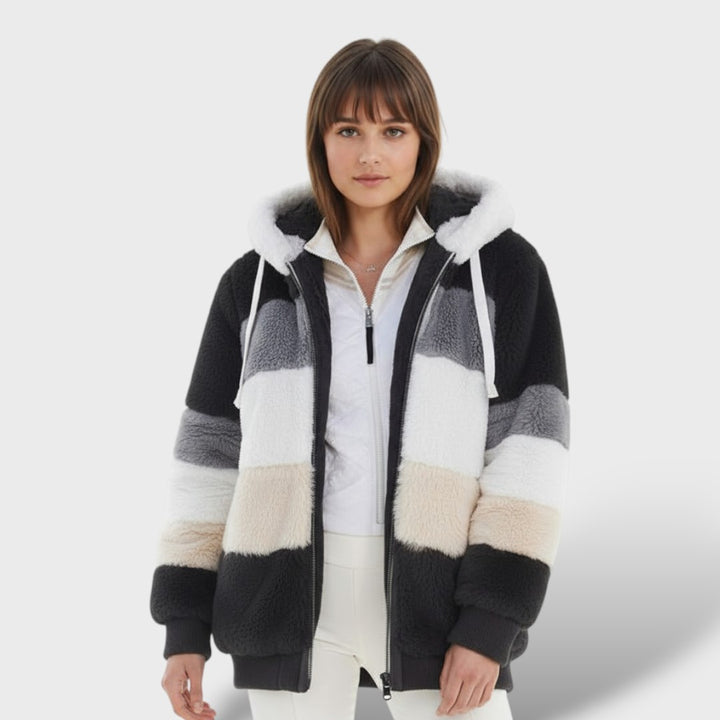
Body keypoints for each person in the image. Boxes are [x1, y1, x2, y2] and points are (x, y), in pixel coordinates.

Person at [150, 38, 570, 720]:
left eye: (392, 130)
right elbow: (209, 455)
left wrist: (491, 621)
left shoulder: (501, 271)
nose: (370, 154)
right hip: (287, 607)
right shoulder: (256, 284)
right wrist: (184, 626)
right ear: (320, 141)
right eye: (348, 130)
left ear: (423, 140)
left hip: (437, 603)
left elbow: (530, 452)